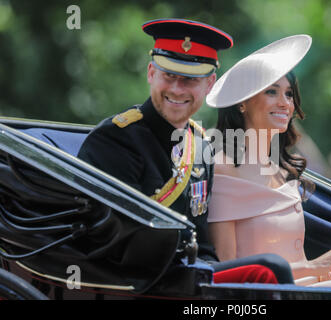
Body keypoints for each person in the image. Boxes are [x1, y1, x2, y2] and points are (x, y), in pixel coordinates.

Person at [77, 18, 294, 284]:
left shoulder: (201, 145)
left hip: (184, 276)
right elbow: (114, 241)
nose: (177, 90)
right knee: (270, 269)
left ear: (210, 84)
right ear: (151, 74)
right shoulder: (116, 138)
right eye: (169, 76)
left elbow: (202, 244)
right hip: (134, 280)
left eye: (190, 80)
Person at [206, 35, 331, 292]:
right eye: (272, 92)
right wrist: (314, 267)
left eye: (289, 94)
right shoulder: (224, 167)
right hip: (257, 297)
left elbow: (297, 264)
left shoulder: (284, 171)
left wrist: (328, 270)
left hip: (299, 290)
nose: (285, 103)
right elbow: (226, 266)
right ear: (242, 102)